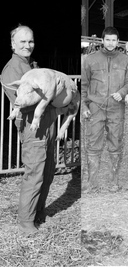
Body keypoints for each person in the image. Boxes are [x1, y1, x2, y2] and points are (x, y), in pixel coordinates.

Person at [1, 24, 58, 234]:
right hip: (32, 128)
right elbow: (21, 102)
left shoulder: (31, 67)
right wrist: (53, 96)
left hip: (47, 122)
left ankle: (39, 213)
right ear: (13, 44)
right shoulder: (11, 70)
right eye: (23, 42)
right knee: (35, 173)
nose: (28, 45)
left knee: (48, 171)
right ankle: (26, 222)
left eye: (30, 41)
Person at [81, 26, 128, 192]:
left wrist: (122, 92)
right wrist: (84, 105)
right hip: (95, 106)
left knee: (116, 143)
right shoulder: (90, 59)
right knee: (93, 144)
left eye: (114, 40)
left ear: (118, 42)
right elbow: (83, 85)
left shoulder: (125, 60)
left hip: (116, 108)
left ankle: (114, 181)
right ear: (102, 41)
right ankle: (91, 182)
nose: (111, 43)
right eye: (107, 40)